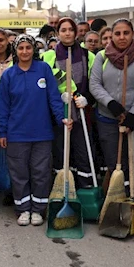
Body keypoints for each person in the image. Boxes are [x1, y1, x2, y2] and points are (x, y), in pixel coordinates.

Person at [0, 34, 67, 226]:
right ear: (16, 51)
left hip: (42, 133)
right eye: (21, 48)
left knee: (41, 172)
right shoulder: (9, 75)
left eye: (28, 48)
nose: (25, 51)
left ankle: (38, 209)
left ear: (33, 50)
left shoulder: (43, 69)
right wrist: (2, 131)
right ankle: (22, 209)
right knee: (19, 174)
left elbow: (54, 97)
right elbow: (2, 106)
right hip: (16, 134)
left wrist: (62, 118)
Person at [90, 19, 134, 200]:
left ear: (132, 34)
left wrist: (133, 114)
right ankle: (119, 201)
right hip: (108, 118)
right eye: (117, 33)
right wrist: (111, 104)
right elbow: (94, 84)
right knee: (116, 163)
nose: (121, 37)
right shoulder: (102, 56)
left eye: (126, 33)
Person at [46, 18, 97, 189]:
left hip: (83, 111)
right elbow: (45, 82)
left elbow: (95, 83)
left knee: (83, 151)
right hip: (58, 113)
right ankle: (62, 189)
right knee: (61, 152)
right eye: (63, 30)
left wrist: (87, 98)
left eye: (70, 30)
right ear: (58, 33)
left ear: (76, 32)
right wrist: (58, 95)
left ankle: (85, 189)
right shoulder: (48, 56)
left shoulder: (87, 56)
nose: (67, 33)